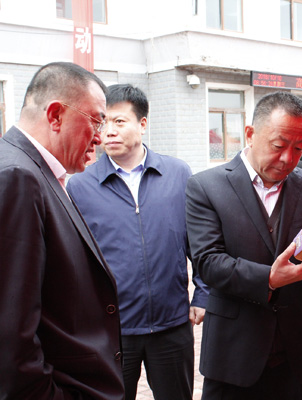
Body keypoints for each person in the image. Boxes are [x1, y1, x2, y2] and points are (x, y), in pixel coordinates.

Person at [185, 91, 302, 400]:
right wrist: (269, 279)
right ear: (250, 134)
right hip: (235, 352)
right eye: (278, 146)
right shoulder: (206, 187)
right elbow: (208, 262)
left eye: (298, 148)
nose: (288, 159)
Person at [67, 84, 209, 400]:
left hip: (172, 325)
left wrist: (202, 293)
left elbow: (198, 241)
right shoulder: (80, 186)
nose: (108, 131)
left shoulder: (177, 174)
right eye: (102, 122)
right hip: (112, 329)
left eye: (119, 121)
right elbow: (77, 260)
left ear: (142, 124)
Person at [0, 62, 124, 399]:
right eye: (96, 121)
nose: (101, 137)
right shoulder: (17, 177)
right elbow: (11, 333)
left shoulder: (38, 172)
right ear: (55, 115)